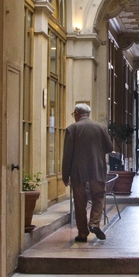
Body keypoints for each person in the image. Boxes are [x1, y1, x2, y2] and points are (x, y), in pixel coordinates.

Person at [61, 103, 113, 242]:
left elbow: (67, 155)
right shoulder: (101, 128)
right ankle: (94, 223)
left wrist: (65, 175)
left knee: (80, 203)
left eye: (74, 114)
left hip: (78, 173)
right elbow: (109, 147)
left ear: (77, 113)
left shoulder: (72, 129)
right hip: (97, 170)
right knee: (99, 197)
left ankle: (83, 233)